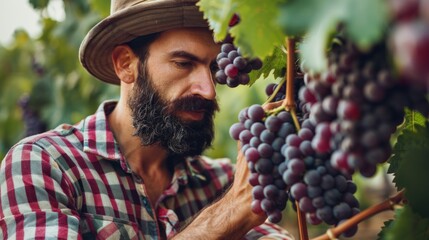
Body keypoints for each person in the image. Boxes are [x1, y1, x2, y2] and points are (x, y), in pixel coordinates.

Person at [0, 0, 294, 239]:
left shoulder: (223, 181)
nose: (207, 89)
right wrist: (227, 215)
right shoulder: (44, 165)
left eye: (214, 67)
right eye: (183, 63)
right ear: (126, 64)